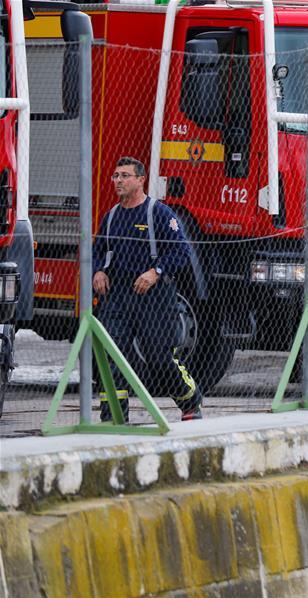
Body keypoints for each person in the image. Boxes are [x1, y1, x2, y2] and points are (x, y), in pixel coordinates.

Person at [92, 156, 203, 421]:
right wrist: (98, 270)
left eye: (125, 176)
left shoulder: (159, 213)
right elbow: (98, 250)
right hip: (118, 295)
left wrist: (156, 272)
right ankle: (114, 417)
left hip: (153, 295)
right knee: (113, 355)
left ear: (141, 180)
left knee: (158, 357)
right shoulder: (111, 217)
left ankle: (190, 402)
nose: (118, 181)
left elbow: (181, 251)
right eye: (116, 176)